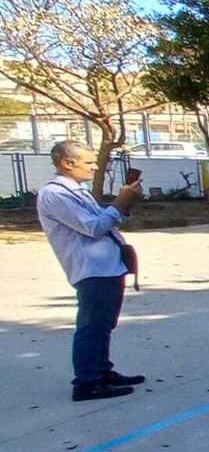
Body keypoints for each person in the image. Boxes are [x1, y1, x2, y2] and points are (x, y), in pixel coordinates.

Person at [37, 140, 146, 401]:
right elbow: (94, 227)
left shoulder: (79, 190)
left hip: (107, 266)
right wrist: (119, 204)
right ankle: (87, 382)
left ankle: (102, 371)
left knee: (104, 324)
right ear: (67, 163)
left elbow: (106, 222)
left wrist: (126, 204)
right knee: (92, 326)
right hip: (92, 269)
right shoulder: (55, 194)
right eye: (88, 162)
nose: (95, 167)